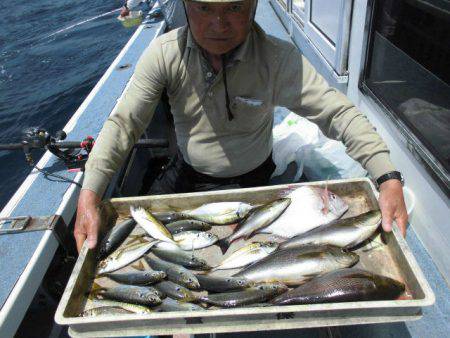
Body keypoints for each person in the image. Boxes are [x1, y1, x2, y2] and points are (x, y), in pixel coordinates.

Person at [74, 0, 408, 252]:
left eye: (234, 7)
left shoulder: (277, 58)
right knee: (134, 236)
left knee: (258, 252)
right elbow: (124, 124)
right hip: (187, 175)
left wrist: (387, 177)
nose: (218, 23)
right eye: (204, 8)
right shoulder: (164, 54)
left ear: (253, 7)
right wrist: (90, 194)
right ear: (186, 7)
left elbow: (337, 113)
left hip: (254, 181)